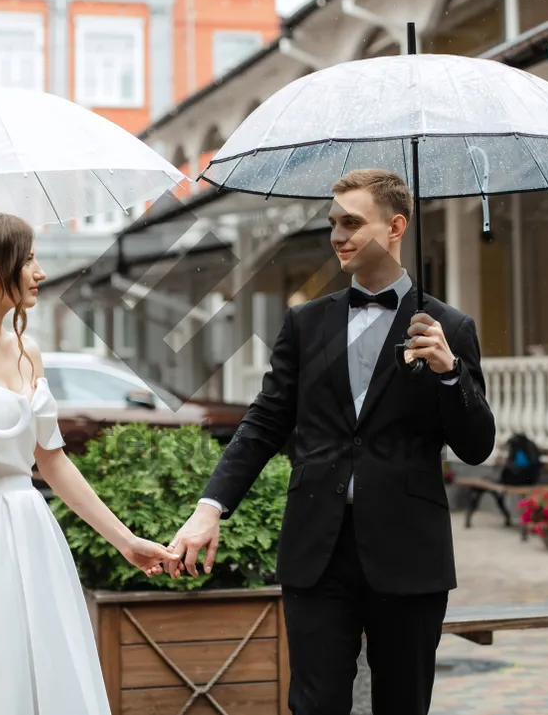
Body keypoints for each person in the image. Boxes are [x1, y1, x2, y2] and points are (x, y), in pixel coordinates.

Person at [166, 169, 496, 715]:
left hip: (408, 553)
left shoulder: (448, 327)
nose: (337, 236)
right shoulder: (304, 323)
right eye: (333, 223)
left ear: (395, 227)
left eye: (352, 223)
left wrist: (448, 372)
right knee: (314, 705)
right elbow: (264, 423)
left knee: (403, 705)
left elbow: (477, 445)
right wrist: (210, 508)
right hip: (317, 549)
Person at [0, 209, 177, 715]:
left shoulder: (29, 353)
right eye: (27, 260)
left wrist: (125, 540)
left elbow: (54, 462)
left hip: (32, 532)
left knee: (48, 670)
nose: (39, 272)